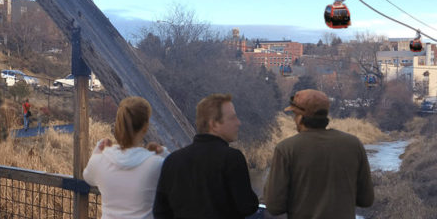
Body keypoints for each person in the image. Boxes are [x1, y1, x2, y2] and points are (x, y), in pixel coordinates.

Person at [263, 89, 373, 219]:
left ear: (300, 118)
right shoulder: (354, 144)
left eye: (294, 114)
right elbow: (366, 200)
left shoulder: (286, 149)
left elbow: (274, 206)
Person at [153, 93, 258, 218]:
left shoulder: (172, 160)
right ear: (213, 124)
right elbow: (247, 206)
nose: (238, 123)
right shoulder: (232, 158)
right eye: (232, 118)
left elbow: (160, 211)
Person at [83, 96, 169, 219]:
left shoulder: (100, 161)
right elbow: (178, 173)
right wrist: (163, 152)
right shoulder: (155, 164)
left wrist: (98, 149)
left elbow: (87, 177)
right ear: (145, 127)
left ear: (118, 124)